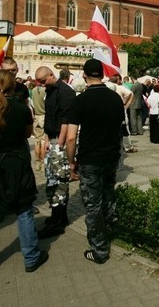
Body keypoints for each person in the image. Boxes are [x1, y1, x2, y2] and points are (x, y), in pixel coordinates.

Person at [0, 70, 47, 278]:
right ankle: (31, 257)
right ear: (14, 86)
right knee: (23, 210)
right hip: (16, 163)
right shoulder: (22, 110)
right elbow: (27, 134)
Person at [65, 58, 124, 264]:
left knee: (93, 204)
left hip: (90, 158)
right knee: (108, 193)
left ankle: (99, 250)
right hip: (111, 156)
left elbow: (71, 137)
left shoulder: (80, 100)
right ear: (102, 73)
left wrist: (71, 161)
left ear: (84, 74)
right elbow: (119, 129)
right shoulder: (115, 98)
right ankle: (111, 228)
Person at [34, 65, 76, 238]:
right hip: (52, 138)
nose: (42, 85)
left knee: (59, 182)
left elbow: (67, 118)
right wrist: (45, 139)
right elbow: (50, 117)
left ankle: (58, 221)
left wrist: (59, 143)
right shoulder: (50, 91)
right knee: (52, 181)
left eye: (43, 81)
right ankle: (59, 217)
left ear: (51, 75)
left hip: (60, 141)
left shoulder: (65, 91)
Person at [31, 82, 47, 171]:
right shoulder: (45, 91)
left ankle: (37, 163)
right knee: (43, 141)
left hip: (37, 116)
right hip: (44, 116)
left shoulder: (33, 90)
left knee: (37, 141)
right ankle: (42, 162)